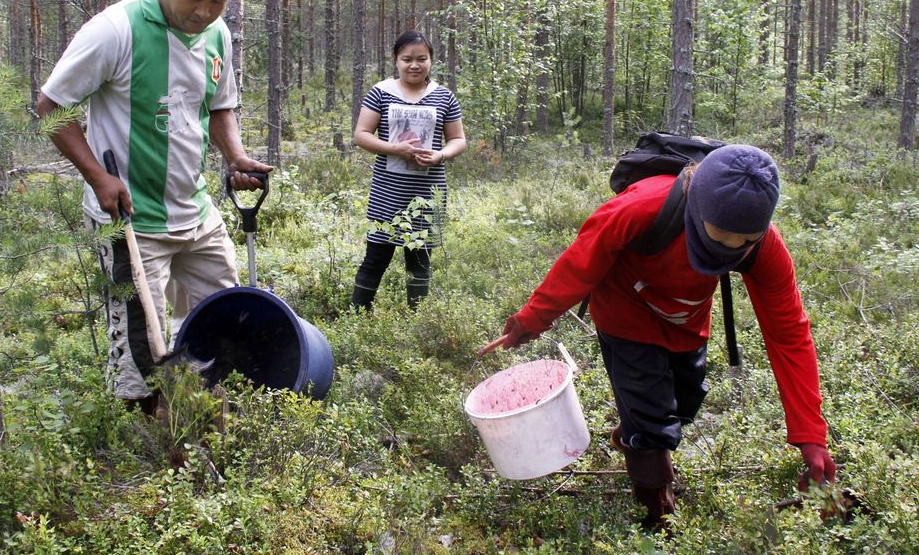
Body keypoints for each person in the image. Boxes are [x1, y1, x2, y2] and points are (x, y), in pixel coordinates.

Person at [480, 145, 835, 531]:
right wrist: (530, 321)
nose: (727, 251)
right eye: (717, 236)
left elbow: (789, 334)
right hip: (624, 315)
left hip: (686, 322)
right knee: (652, 425)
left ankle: (634, 433)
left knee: (684, 403)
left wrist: (811, 436)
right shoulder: (640, 208)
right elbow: (579, 265)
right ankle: (658, 514)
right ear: (696, 205)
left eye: (743, 241)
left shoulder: (765, 246)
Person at [35, 0, 272, 413]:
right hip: (131, 218)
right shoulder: (115, 30)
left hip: (195, 209)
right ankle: (146, 428)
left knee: (226, 309)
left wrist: (234, 157)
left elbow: (221, 105)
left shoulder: (217, 34)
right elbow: (50, 107)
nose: (204, 12)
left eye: (219, 1)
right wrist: (98, 178)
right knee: (141, 335)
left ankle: (205, 400)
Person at [350, 30, 467, 310]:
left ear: (431, 60)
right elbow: (361, 134)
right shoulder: (380, 92)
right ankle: (357, 315)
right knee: (376, 254)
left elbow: (459, 139)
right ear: (396, 61)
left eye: (421, 59)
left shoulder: (444, 97)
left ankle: (418, 320)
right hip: (387, 191)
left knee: (420, 258)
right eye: (407, 59)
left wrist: (440, 155)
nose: (414, 65)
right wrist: (395, 149)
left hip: (428, 192)